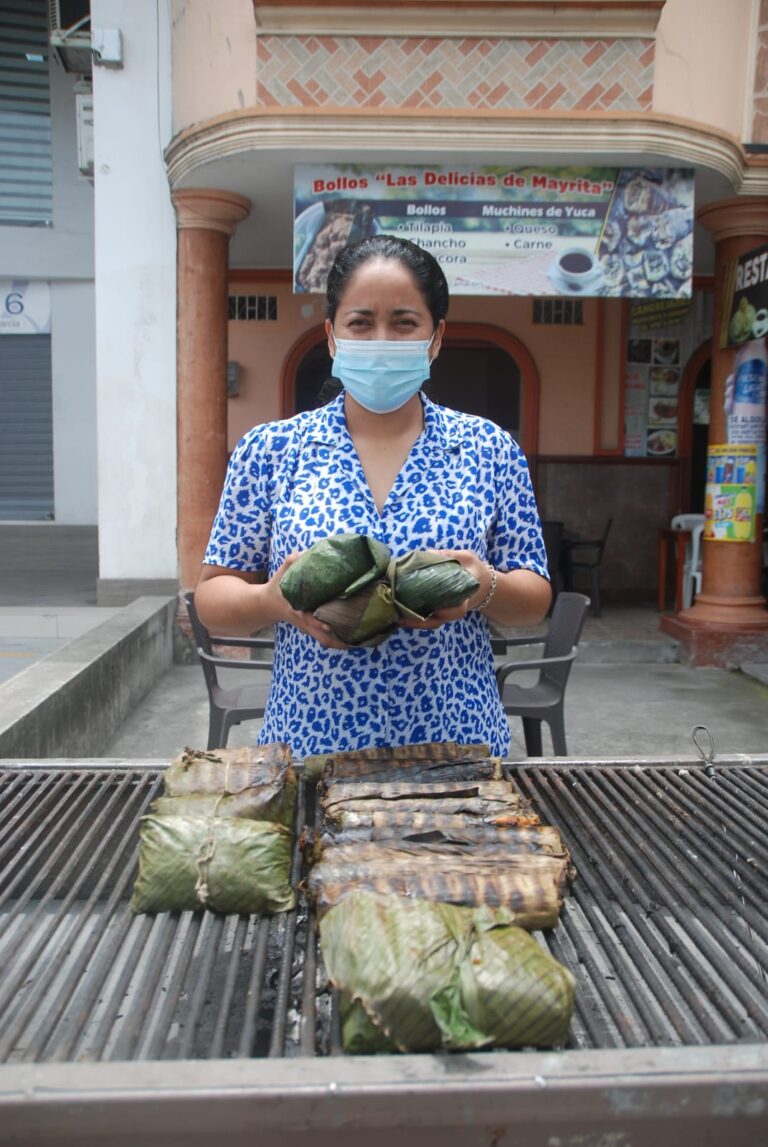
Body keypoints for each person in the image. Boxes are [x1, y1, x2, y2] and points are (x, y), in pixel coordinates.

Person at [195, 234, 551, 758]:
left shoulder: (489, 448)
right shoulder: (271, 450)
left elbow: (534, 599)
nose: (381, 339)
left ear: (436, 337)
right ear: (332, 336)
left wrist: (485, 585)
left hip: (456, 743)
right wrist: (271, 600)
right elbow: (212, 598)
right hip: (312, 741)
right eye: (360, 322)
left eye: (404, 322)